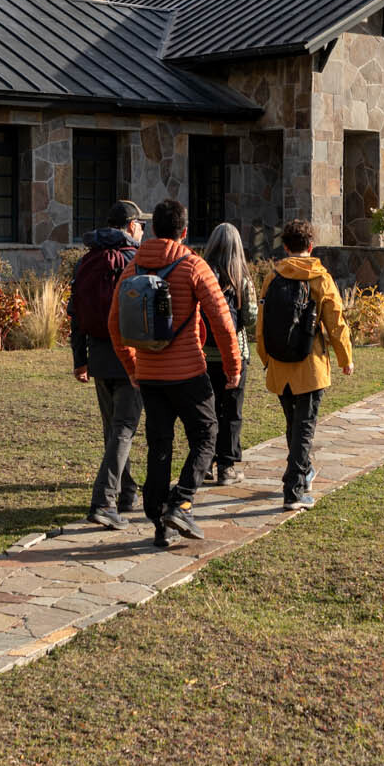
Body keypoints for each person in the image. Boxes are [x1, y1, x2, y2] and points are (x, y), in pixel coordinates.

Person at [108, 199, 242, 548]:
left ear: (153, 230)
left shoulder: (133, 267)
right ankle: (181, 502)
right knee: (206, 434)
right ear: (184, 232)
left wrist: (133, 367)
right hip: (188, 374)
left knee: (159, 445)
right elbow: (223, 324)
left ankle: (160, 523)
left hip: (150, 376)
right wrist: (233, 367)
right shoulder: (193, 266)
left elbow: (114, 326)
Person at [256, 219, 353, 511]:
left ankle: (303, 471)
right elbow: (336, 323)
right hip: (310, 366)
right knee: (304, 427)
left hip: (279, 365)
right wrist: (345, 358)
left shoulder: (272, 277)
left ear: (285, 246)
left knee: (294, 425)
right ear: (310, 246)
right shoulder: (320, 278)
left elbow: (262, 324)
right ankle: (294, 490)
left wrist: (266, 358)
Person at [70, 199, 146, 530]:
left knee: (113, 429)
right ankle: (105, 501)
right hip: (130, 354)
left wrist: (80, 359)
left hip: (99, 355)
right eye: (141, 224)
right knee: (125, 428)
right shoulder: (136, 261)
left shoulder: (88, 259)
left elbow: (75, 314)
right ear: (131, 226)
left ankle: (126, 491)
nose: (143, 230)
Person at [200, 222, 258, 486]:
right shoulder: (242, 279)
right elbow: (250, 318)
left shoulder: (201, 275)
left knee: (207, 412)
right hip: (234, 354)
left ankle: (205, 463)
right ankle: (226, 467)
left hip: (203, 355)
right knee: (232, 411)